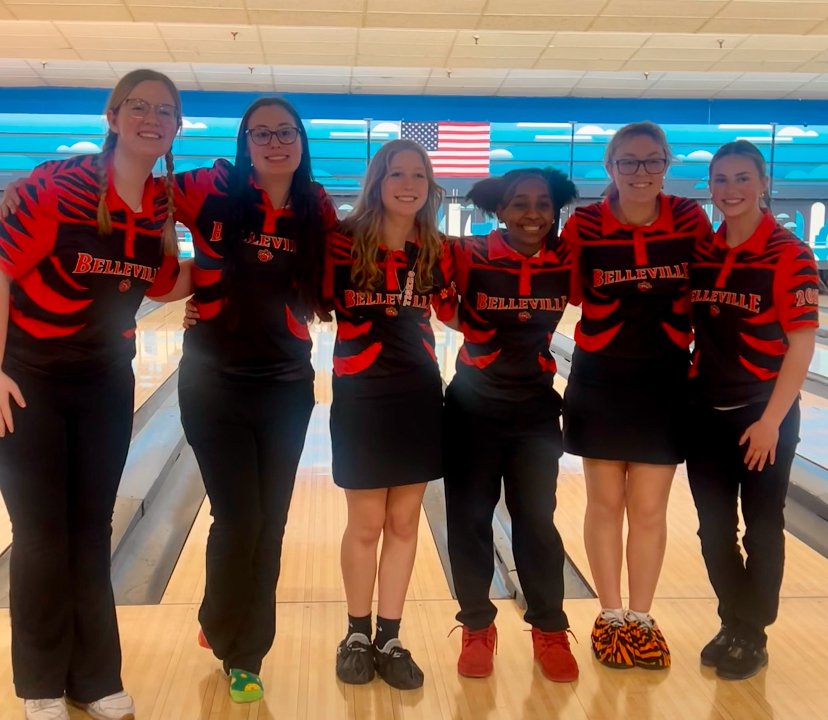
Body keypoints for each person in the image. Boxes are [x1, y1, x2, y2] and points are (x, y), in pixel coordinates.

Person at [0, 69, 185, 720]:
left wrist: (243, 273)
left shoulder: (160, 205)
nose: (151, 118)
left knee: (90, 532)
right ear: (113, 115)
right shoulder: (61, 184)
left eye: (165, 111)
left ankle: (96, 677)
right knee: (43, 534)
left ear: (175, 128)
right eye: (139, 106)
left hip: (105, 380)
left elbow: (164, 281)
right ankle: (41, 684)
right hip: (29, 379)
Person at [173, 97, 335, 703]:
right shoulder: (205, 186)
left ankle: (246, 652)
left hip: (286, 384)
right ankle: (224, 624)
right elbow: (129, 193)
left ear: (300, 139)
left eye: (285, 131)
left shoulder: (316, 205)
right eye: (261, 132)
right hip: (212, 381)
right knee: (240, 517)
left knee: (271, 524)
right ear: (244, 141)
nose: (274, 142)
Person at [561, 121, 710, 670]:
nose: (641, 171)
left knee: (648, 508)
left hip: (665, 376)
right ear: (610, 168)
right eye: (628, 161)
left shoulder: (690, 217)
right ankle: (611, 617)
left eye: (652, 161)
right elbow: (566, 288)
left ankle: (642, 620)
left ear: (667, 164)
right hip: (601, 375)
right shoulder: (586, 224)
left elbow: (711, 279)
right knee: (606, 504)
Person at [324, 139, 453, 690]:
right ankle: (355, 632)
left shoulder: (439, 248)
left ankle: (389, 636)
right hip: (361, 392)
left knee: (404, 523)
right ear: (377, 181)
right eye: (396, 173)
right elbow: (288, 287)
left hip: (419, 392)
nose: (408, 183)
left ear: (429, 186)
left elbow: (465, 308)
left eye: (418, 175)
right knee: (366, 522)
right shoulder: (342, 242)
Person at [687, 140, 817, 680]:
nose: (731, 189)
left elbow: (803, 343)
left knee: (762, 529)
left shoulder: (790, 253)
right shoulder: (705, 252)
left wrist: (769, 422)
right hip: (706, 412)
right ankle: (730, 620)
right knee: (713, 529)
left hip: (764, 414)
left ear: (762, 183)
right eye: (721, 180)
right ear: (711, 188)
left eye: (742, 178)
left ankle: (753, 632)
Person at [443, 168, 580, 682]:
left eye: (543, 204)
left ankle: (548, 628)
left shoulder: (566, 259)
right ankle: (478, 626)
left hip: (535, 411)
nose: (532, 213)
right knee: (470, 521)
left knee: (537, 524)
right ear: (500, 210)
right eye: (519, 203)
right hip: (472, 411)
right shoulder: (467, 254)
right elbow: (431, 297)